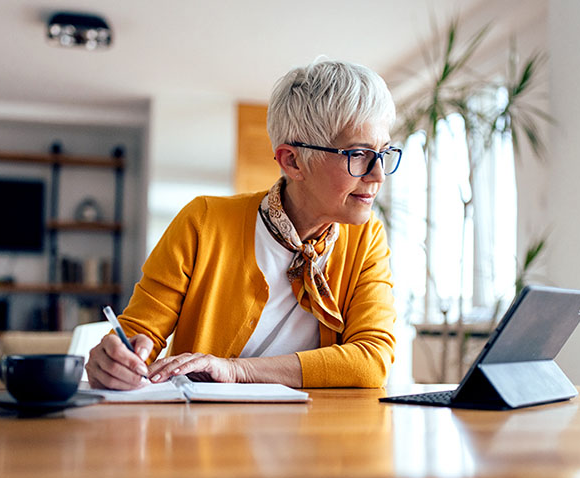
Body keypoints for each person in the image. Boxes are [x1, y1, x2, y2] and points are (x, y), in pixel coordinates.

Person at [86, 59, 402, 390]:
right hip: (206, 437)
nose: (378, 175)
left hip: (316, 437)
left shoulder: (366, 239)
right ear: (292, 160)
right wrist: (116, 362)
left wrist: (238, 370)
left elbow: (371, 360)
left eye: (384, 152)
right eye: (358, 155)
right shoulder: (204, 222)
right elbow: (140, 338)